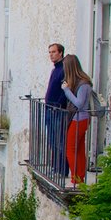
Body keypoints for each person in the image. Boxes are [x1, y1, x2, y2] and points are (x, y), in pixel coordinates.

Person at [61, 54, 93, 186]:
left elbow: (79, 104)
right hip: (80, 119)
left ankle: (76, 178)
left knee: (70, 149)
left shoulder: (83, 84)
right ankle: (79, 177)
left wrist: (67, 91)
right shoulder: (82, 82)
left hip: (79, 120)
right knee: (79, 148)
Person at [44, 43, 70, 177]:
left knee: (59, 140)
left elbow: (65, 90)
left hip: (57, 110)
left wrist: (58, 105)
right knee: (53, 140)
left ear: (60, 53)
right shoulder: (55, 69)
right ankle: (55, 167)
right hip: (50, 109)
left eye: (53, 52)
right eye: (50, 52)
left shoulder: (63, 70)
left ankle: (62, 170)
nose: (51, 55)